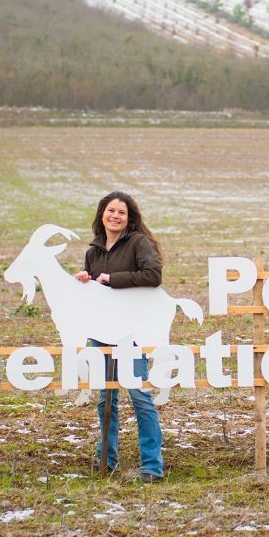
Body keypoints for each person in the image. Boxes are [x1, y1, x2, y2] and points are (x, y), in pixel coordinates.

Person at [74, 191, 166, 483]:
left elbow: (153, 275)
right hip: (101, 333)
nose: (115, 216)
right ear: (102, 214)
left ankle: (152, 466)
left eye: (121, 212)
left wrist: (113, 279)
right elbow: (94, 295)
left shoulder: (139, 242)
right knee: (106, 398)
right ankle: (107, 460)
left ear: (129, 218)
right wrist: (85, 280)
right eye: (110, 210)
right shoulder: (94, 251)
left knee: (139, 396)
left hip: (131, 333)